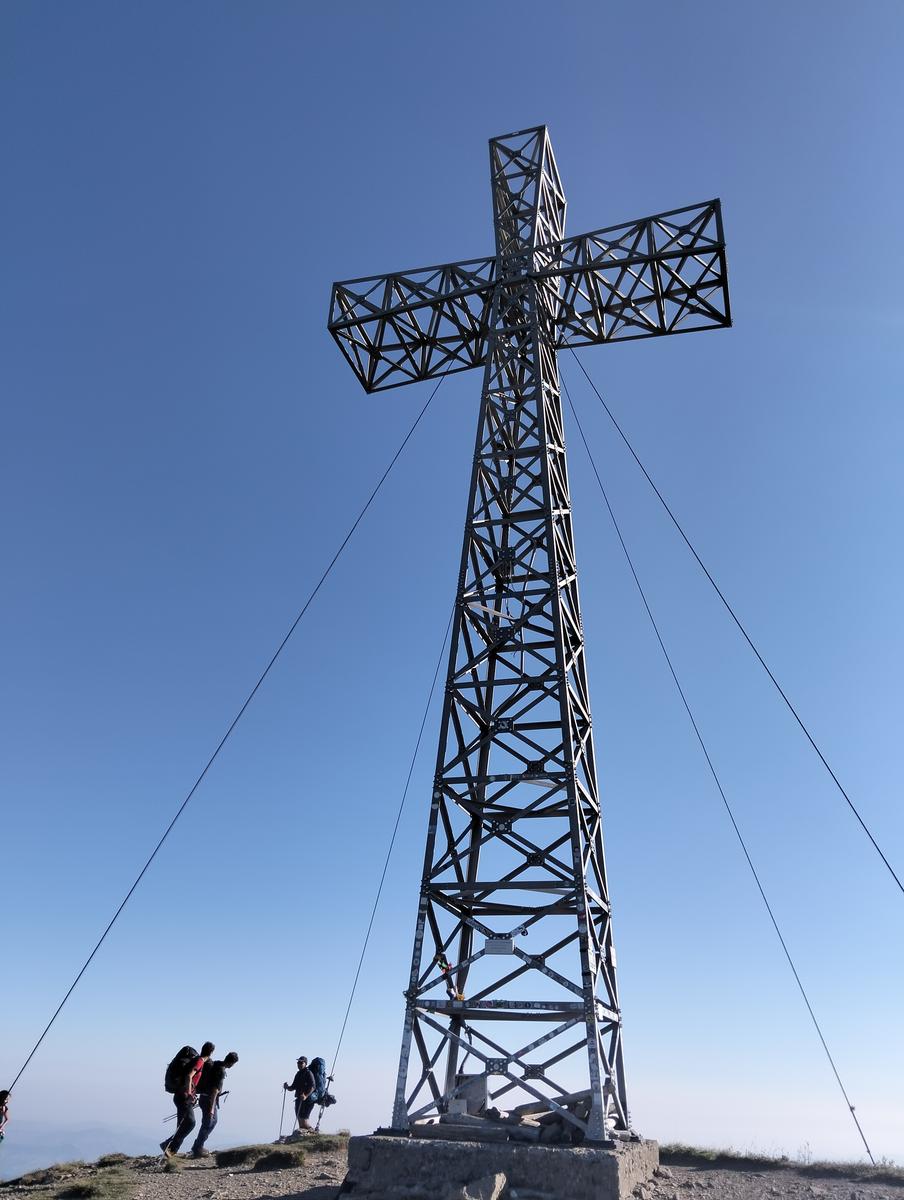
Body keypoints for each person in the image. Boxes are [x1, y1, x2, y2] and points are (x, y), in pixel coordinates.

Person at [160, 1042, 215, 1159]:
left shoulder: (197, 1060)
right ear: (211, 1052)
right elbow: (189, 1076)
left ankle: (171, 1151)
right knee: (190, 1123)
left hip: (179, 1095)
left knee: (182, 1124)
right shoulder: (200, 1061)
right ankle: (168, 1145)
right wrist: (189, 1094)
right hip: (183, 1097)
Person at [190, 1051, 238, 1158]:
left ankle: (198, 1146)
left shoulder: (216, 1064)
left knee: (209, 1122)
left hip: (203, 1097)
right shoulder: (221, 1071)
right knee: (210, 1122)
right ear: (232, 1063)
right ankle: (198, 1147)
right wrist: (212, 1108)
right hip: (209, 1100)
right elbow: (215, 1091)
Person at [283, 1056, 316, 1132]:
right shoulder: (298, 1074)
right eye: (298, 1062)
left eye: (301, 1062)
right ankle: (304, 1136)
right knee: (300, 1121)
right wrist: (287, 1087)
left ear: (305, 1063)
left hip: (307, 1100)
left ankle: (313, 1133)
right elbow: (293, 1087)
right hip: (299, 1099)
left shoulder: (308, 1073)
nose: (299, 1064)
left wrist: (306, 1096)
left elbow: (313, 1086)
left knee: (304, 1121)